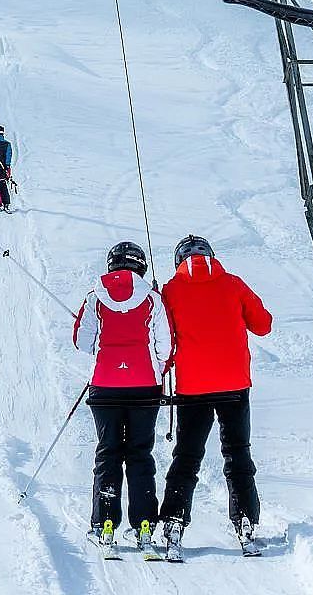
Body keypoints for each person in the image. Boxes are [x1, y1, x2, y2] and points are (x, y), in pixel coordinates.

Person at [156, 235, 272, 560]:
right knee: (238, 455)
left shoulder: (170, 291)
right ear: (211, 257)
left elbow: (162, 339)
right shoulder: (233, 284)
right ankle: (246, 520)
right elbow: (263, 325)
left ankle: (175, 521)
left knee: (187, 457)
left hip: (193, 387)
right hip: (234, 384)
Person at [72, 241, 171, 558]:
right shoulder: (153, 298)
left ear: (111, 264)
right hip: (144, 386)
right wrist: (153, 367)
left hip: (105, 386)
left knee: (108, 452)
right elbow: (166, 346)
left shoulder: (94, 297)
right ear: (141, 266)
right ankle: (144, 527)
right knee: (140, 454)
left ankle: (104, 526)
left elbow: (83, 342)